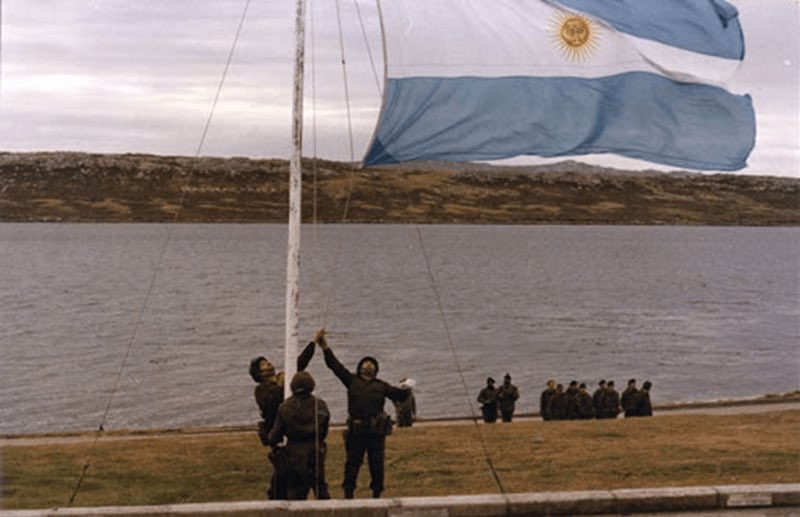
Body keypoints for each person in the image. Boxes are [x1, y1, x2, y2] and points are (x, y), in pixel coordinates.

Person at [315, 329, 410, 499]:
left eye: (371, 363)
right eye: (365, 362)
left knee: (377, 465)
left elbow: (399, 395)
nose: (368, 364)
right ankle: (348, 493)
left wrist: (407, 386)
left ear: (376, 369)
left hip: (376, 432)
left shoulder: (381, 385)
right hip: (356, 431)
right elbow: (335, 366)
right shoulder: (351, 380)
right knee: (352, 464)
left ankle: (377, 495)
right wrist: (325, 347)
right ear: (359, 367)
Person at [249, 341, 316, 500]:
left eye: (267, 362)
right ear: (258, 374)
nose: (268, 364)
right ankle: (277, 500)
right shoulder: (261, 390)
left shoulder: (282, 378)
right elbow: (271, 404)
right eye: (263, 365)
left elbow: (298, 363)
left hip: (292, 433)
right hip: (278, 437)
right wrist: (280, 386)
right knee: (284, 472)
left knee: (296, 474)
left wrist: (313, 343)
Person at [265, 371, 331, 500]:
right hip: (316, 451)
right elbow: (324, 430)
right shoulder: (320, 405)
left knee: (295, 492)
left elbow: (275, 436)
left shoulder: (285, 407)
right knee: (321, 490)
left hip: (294, 454)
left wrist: (269, 437)